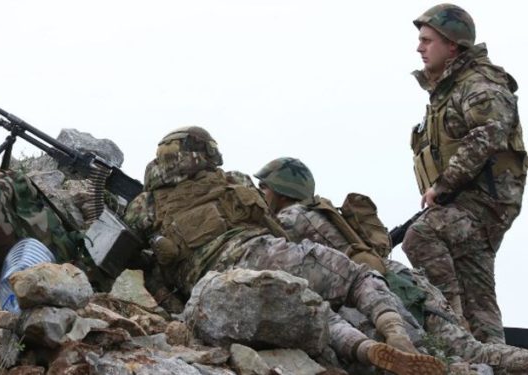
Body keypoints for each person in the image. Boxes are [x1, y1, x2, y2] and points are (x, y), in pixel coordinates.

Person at [123, 126, 446, 375]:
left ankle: (364, 349)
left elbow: (129, 250)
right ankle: (396, 335)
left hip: (215, 289)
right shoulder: (231, 181)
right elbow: (269, 222)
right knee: (356, 278)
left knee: (314, 315)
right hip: (261, 251)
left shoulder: (146, 205)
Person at [256, 156, 528, 374]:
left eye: (264, 188)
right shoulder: (325, 214)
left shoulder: (291, 218)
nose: (261, 194)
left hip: (389, 294)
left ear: (281, 191)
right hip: (409, 284)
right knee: (472, 350)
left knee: (443, 355)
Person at [405, 3, 527, 344]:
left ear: (453, 46)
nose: (419, 47)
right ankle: (497, 357)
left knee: (421, 237)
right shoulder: (448, 90)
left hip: (483, 202)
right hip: (467, 204)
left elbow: (490, 133)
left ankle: (452, 333)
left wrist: (444, 185)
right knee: (479, 300)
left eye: (427, 40)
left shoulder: (479, 83)